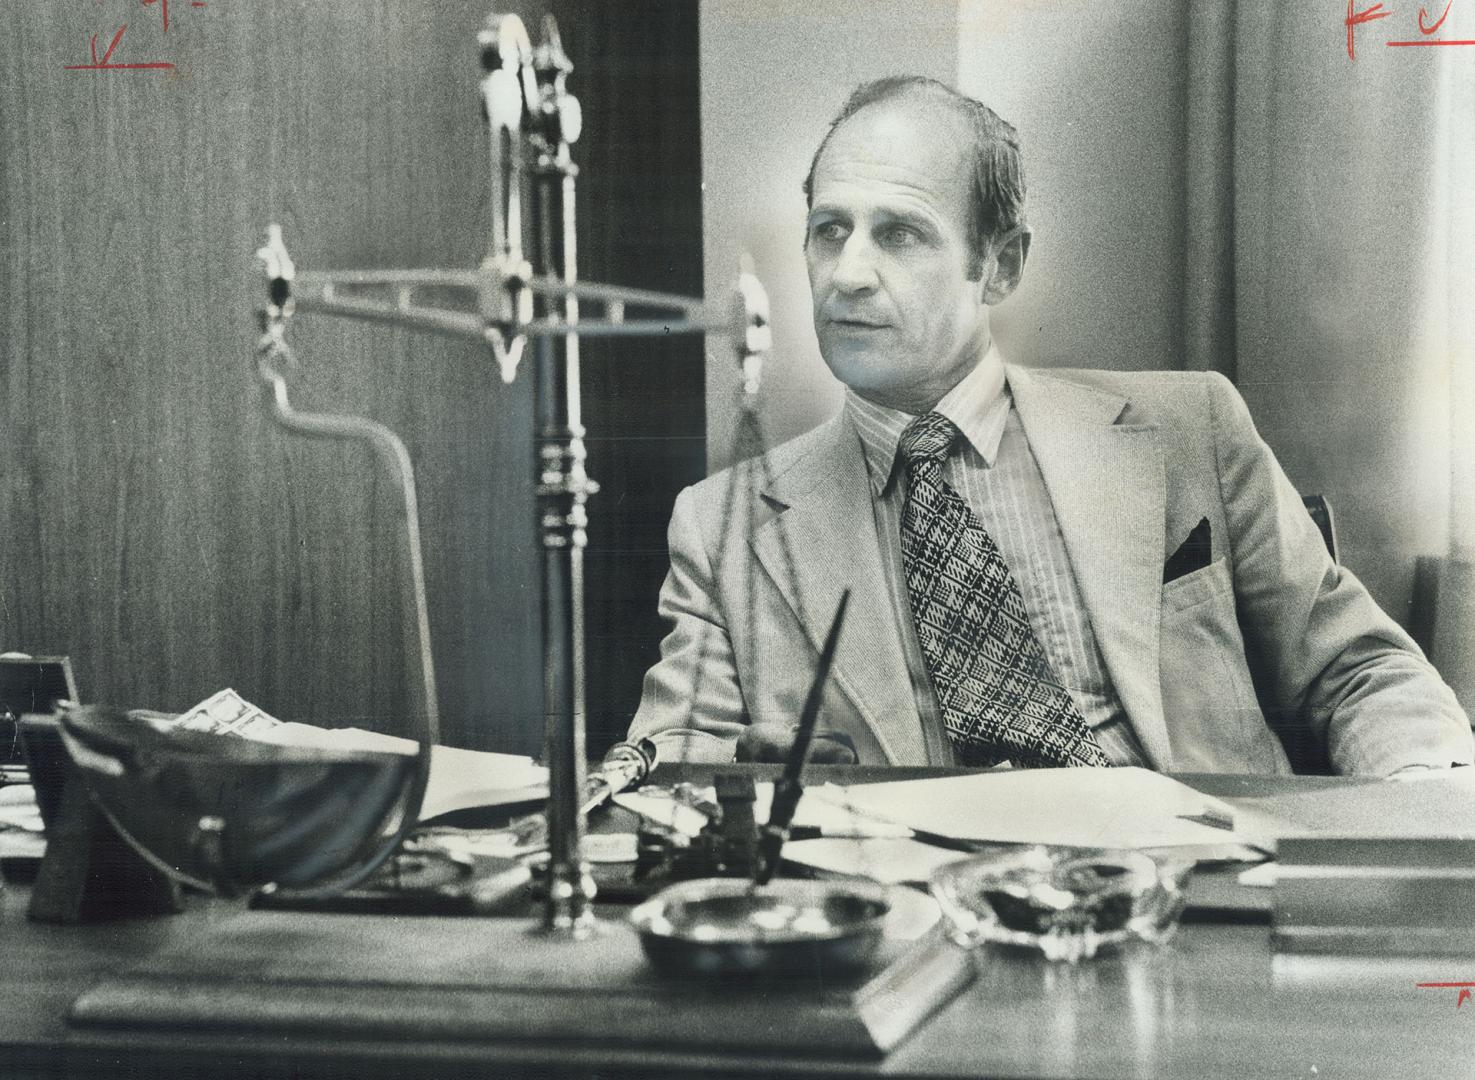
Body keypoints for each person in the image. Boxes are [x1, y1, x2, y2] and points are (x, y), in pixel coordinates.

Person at [627, 76, 1473, 776]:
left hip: (1196, 892)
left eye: (899, 235)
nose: (847, 274)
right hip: (918, 932)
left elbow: (1357, 670)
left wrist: (1416, 808)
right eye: (828, 231)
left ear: (999, 266)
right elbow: (669, 771)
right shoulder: (721, 526)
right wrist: (729, 791)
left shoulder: (1190, 430)